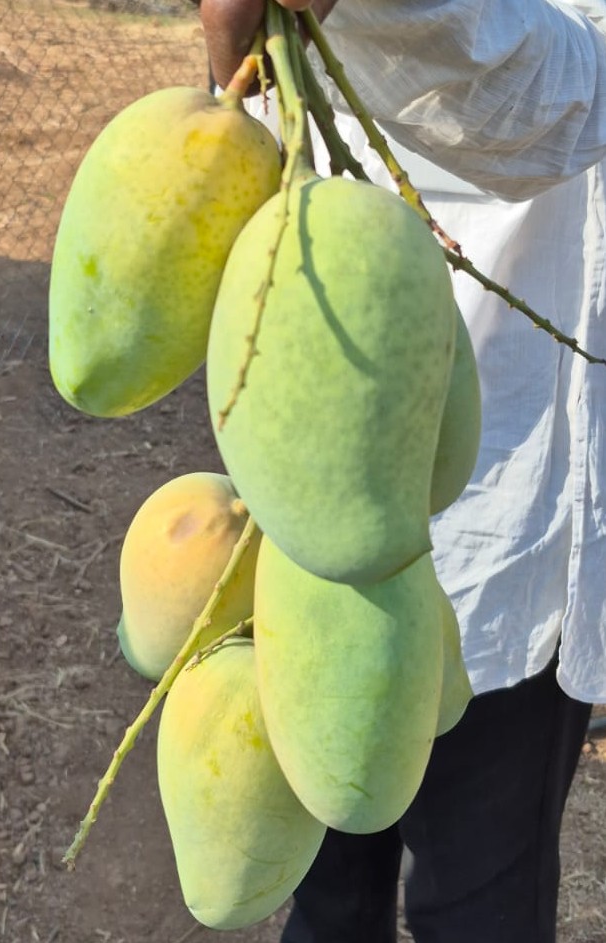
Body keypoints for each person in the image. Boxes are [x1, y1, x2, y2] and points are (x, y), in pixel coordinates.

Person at [198, 1, 606, 941]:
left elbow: (566, 102)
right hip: (314, 515)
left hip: (512, 533)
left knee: (480, 906)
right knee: (332, 891)